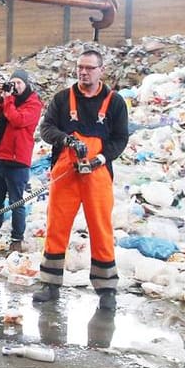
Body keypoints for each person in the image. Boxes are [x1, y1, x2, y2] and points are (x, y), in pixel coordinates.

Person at [33, 48, 130, 316]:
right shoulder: (63, 99)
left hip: (97, 173)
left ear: (101, 70)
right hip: (66, 170)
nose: (83, 72)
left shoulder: (115, 102)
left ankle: (107, 290)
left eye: (89, 68)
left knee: (101, 228)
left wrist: (101, 158)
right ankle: (50, 284)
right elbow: (46, 128)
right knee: (57, 226)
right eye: (80, 67)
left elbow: (121, 138)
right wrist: (66, 139)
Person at [0, 68, 41, 253]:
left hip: (17, 161)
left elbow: (18, 120)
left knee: (16, 203)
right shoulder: (6, 101)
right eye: (13, 82)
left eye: (19, 83)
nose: (15, 86)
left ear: (26, 84)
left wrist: (8, 99)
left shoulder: (33, 104)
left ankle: (16, 242)